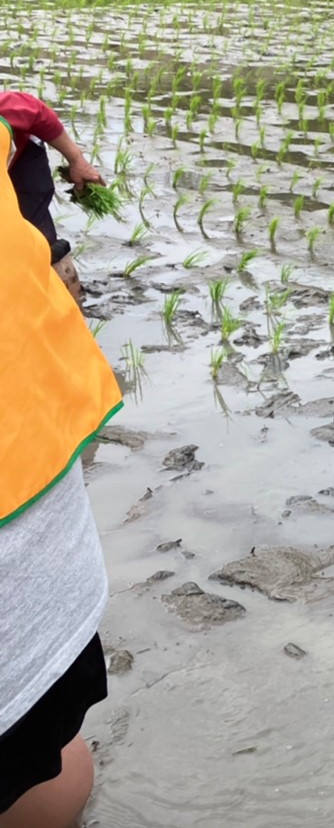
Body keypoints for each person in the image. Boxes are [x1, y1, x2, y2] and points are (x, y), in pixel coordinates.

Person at [0, 118, 124, 827]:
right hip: (36, 456)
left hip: (31, 500)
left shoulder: (19, 110)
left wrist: (76, 158)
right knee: (47, 740)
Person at [0, 91, 105, 244]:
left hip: (22, 157)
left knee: (34, 230)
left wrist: (76, 159)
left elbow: (37, 113)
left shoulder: (5, 108)